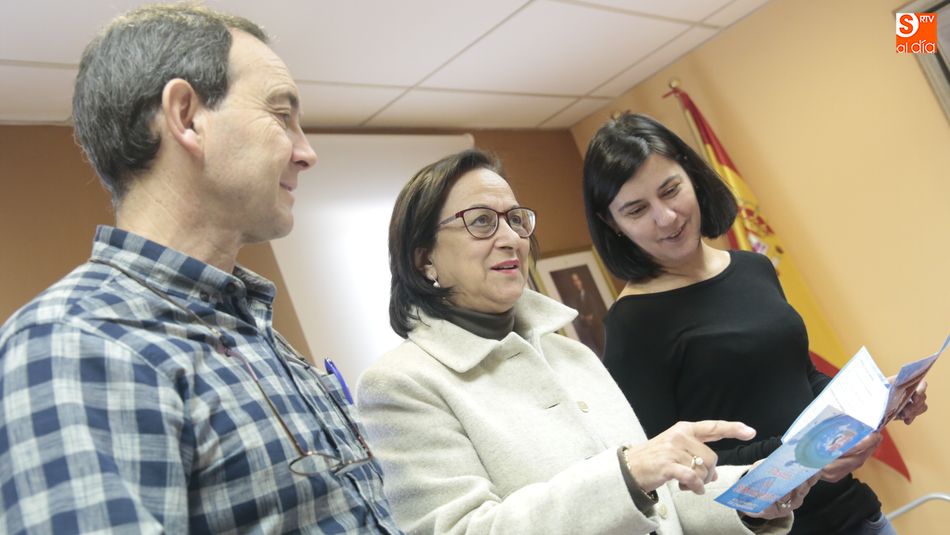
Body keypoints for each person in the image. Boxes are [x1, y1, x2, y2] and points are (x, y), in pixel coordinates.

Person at [0, 5, 400, 533]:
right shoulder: (73, 342)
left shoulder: (253, 331)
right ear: (187, 116)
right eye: (282, 115)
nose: (307, 152)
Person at [356, 148, 813, 534]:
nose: (511, 238)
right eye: (480, 222)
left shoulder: (570, 354)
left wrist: (751, 493)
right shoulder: (399, 385)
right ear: (423, 261)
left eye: (515, 219)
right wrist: (627, 473)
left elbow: (658, 501)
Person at [581, 112, 929, 535]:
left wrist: (876, 402)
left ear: (691, 175)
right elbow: (670, 475)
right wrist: (805, 455)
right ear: (611, 224)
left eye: (671, 190)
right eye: (636, 209)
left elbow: (801, 377)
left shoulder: (753, 268)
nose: (667, 217)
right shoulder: (633, 323)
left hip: (854, 514)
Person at [564, 271, 606, 356]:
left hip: (599, 329)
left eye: (577, 280)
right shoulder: (575, 300)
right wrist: (583, 318)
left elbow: (598, 310)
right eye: (574, 281)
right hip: (588, 333)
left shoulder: (591, 295)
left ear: (581, 281)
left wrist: (592, 317)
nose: (576, 283)